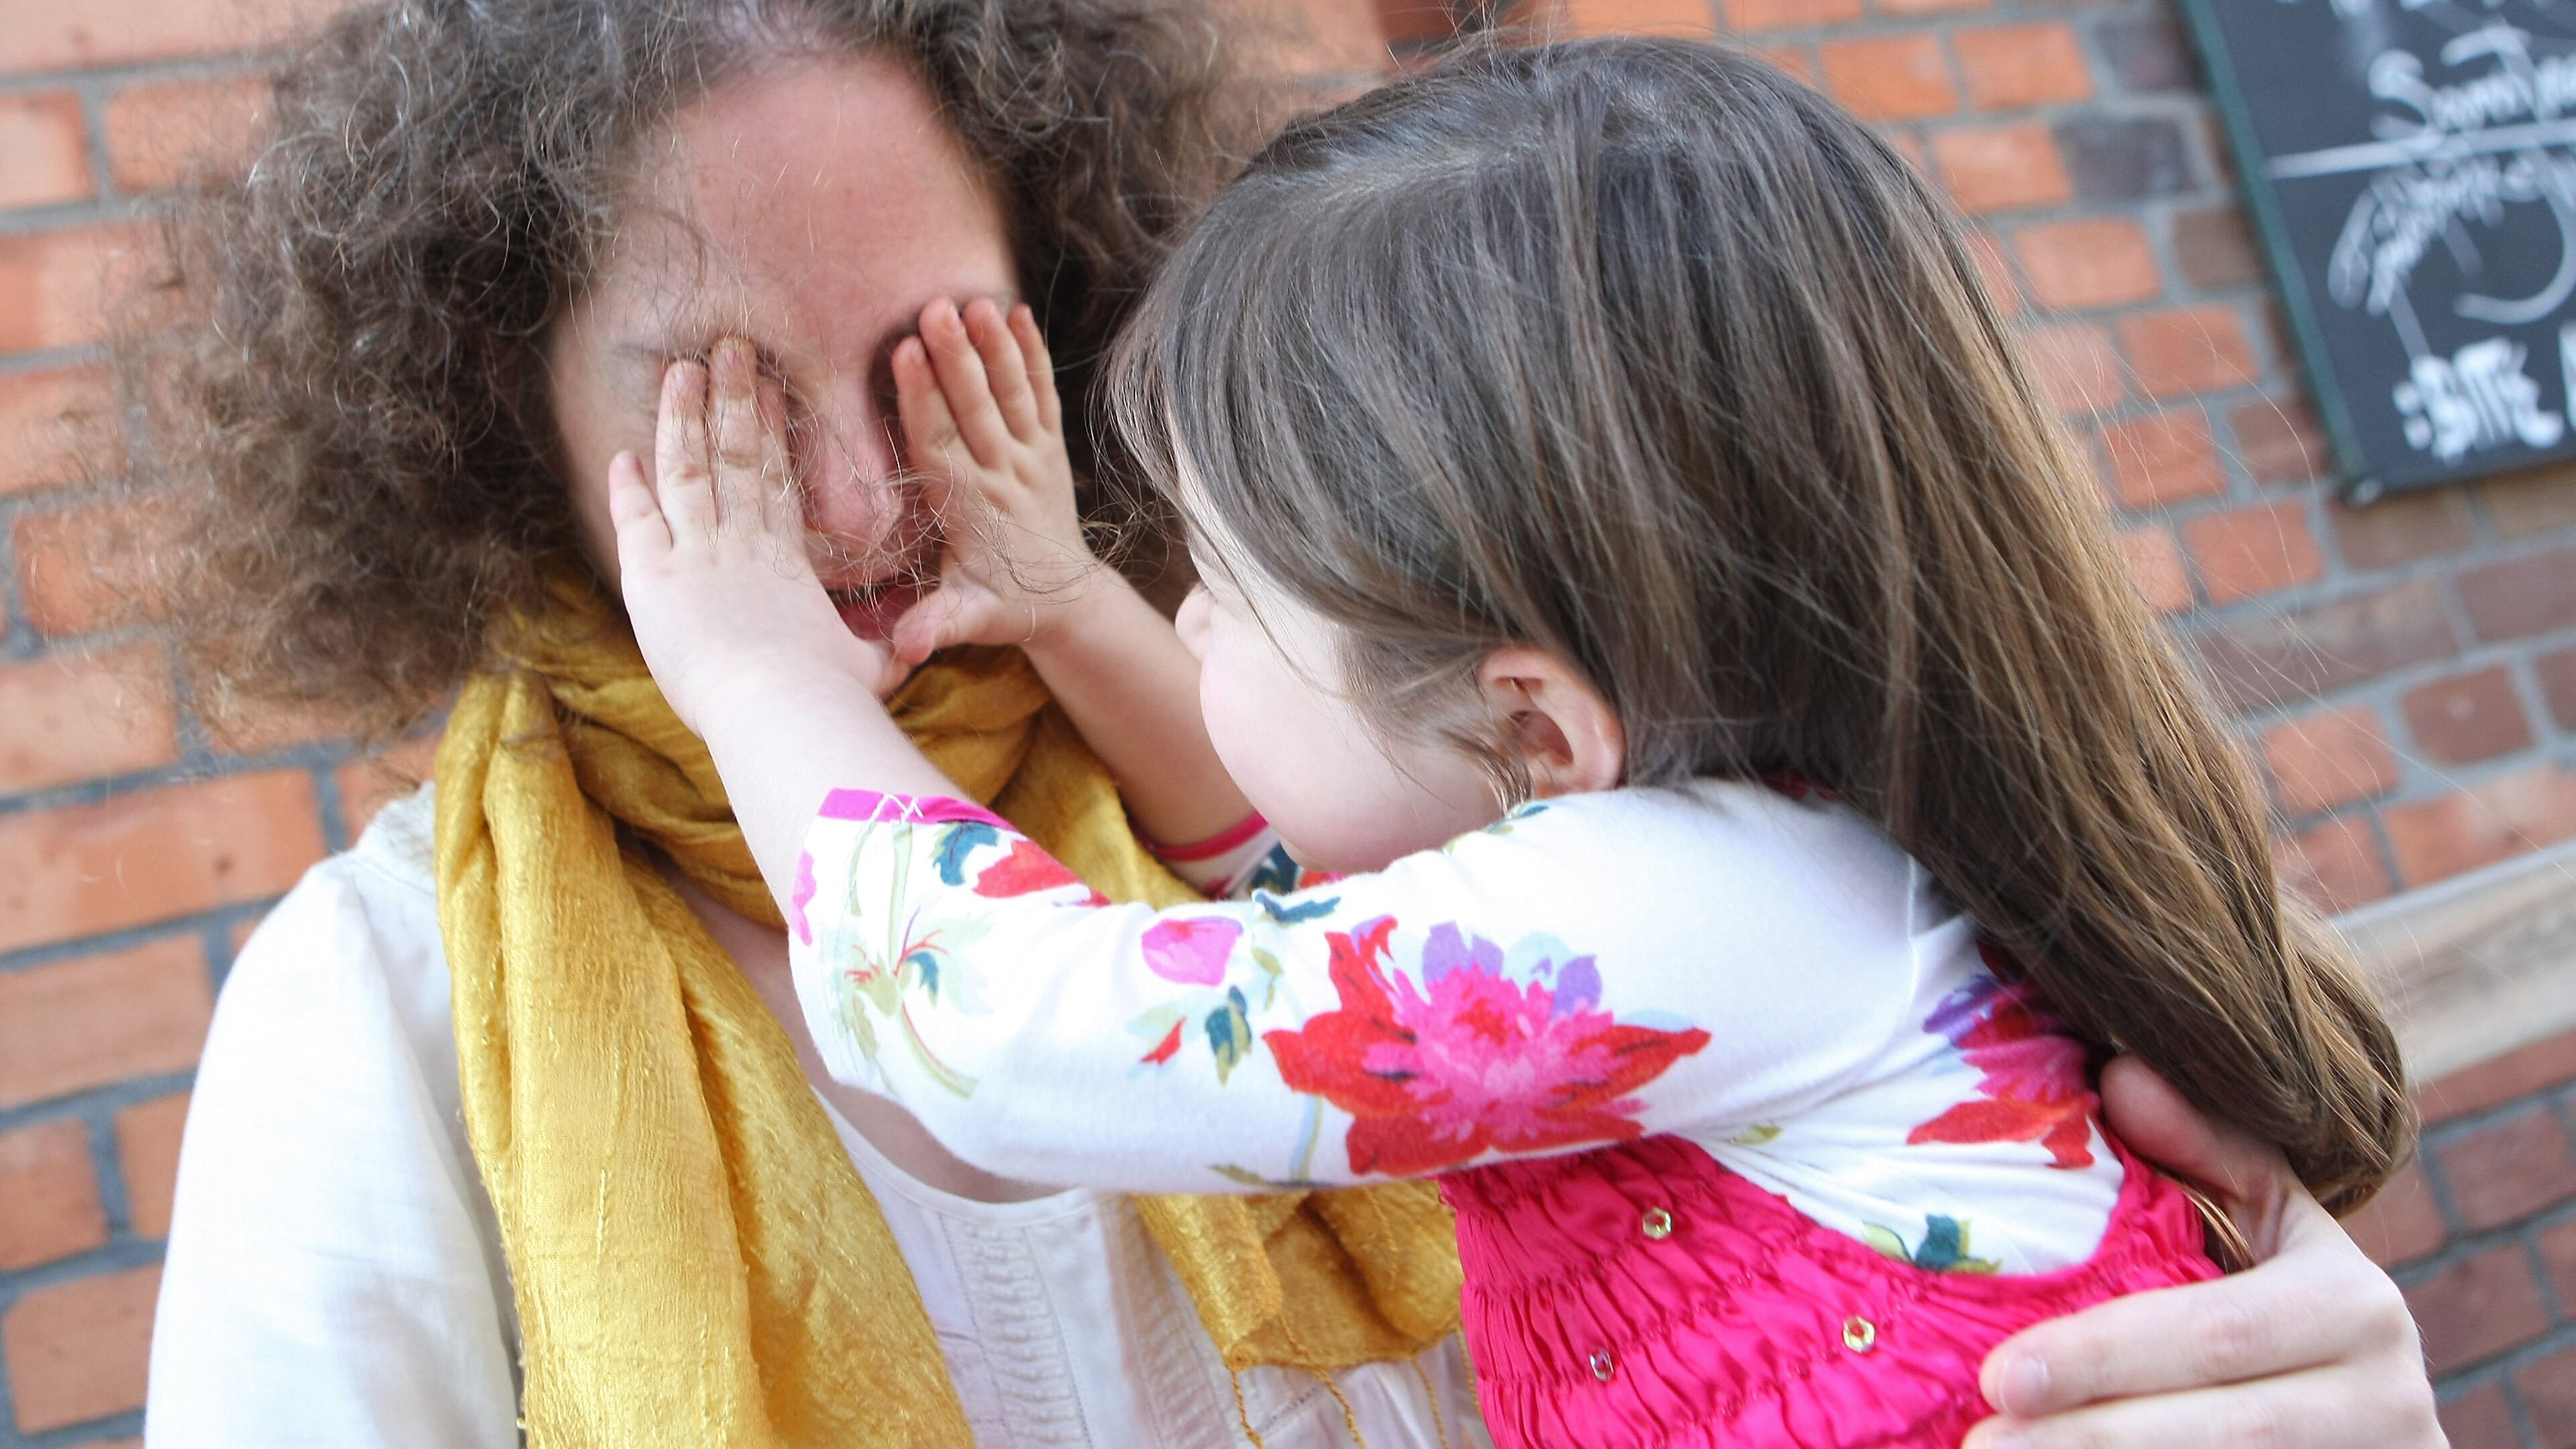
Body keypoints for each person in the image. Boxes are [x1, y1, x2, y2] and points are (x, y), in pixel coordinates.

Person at [121, 0, 2443, 1444]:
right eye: (715, 411)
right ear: (493, 429)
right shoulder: (387, 1015)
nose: (841, 501)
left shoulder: (1456, 822)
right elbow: (1261, 892)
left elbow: (1077, 985)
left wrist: (2303, 1396)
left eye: (935, 358)